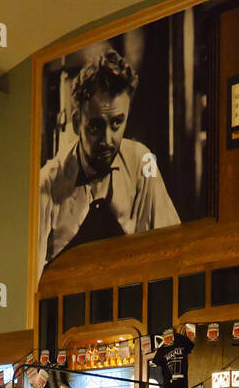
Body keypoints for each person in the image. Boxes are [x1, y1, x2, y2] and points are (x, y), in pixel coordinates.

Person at [37, 48, 180, 277]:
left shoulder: (143, 163)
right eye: (95, 126)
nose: (107, 140)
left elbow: (172, 248)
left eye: (116, 124)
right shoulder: (47, 183)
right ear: (76, 122)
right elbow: (30, 284)